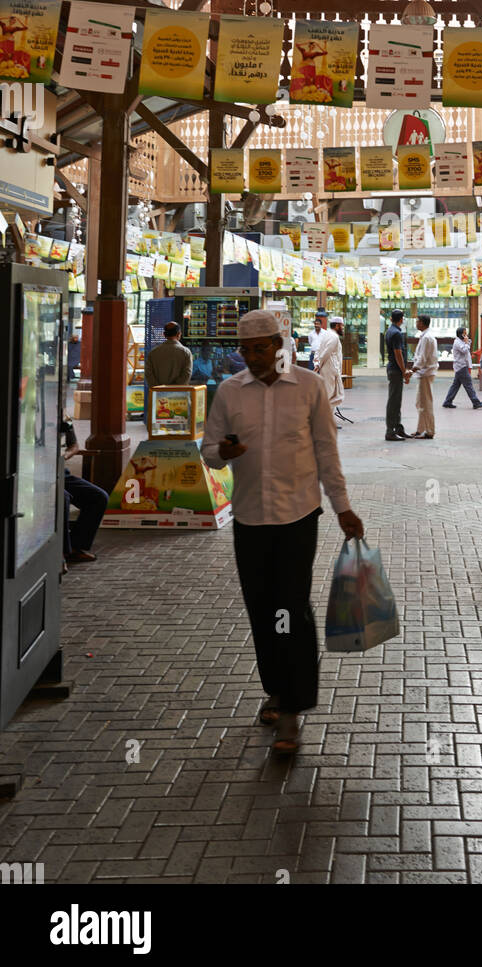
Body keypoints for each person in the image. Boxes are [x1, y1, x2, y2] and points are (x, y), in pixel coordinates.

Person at [202, 309, 364, 755]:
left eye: (261, 348)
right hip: (250, 518)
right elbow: (209, 453)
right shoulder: (230, 392)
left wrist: (343, 507)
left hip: (298, 515)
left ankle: (292, 709)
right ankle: (275, 689)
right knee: (262, 608)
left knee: (291, 609)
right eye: (246, 350)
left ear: (279, 345)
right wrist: (223, 451)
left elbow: (327, 452)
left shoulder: (308, 388)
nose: (253, 357)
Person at [60, 418, 107, 566]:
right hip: (33, 475)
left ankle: (75, 546)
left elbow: (74, 446)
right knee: (63, 499)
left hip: (59, 472)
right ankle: (63, 551)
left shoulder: (63, 417)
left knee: (98, 497)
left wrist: (64, 456)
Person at [409, 314, 438, 439]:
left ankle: (429, 431)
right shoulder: (425, 336)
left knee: (426, 404)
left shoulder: (427, 338)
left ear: (423, 323)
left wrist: (412, 370)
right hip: (424, 374)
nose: (416, 323)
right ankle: (420, 429)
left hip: (426, 373)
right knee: (420, 403)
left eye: (417, 321)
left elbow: (422, 358)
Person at [442, 327, 482, 410]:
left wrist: (467, 341)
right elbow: (465, 350)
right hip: (461, 367)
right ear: (460, 334)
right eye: (464, 334)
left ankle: (447, 402)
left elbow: (468, 344)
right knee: (469, 385)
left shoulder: (461, 341)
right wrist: (466, 342)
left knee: (455, 385)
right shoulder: (457, 343)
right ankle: (476, 402)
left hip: (461, 366)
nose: (466, 335)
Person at [385, 310, 410, 441]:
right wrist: (404, 370)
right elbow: (398, 353)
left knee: (396, 400)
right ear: (401, 319)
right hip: (395, 370)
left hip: (393, 369)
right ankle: (390, 430)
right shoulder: (396, 333)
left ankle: (398, 428)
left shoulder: (390, 331)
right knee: (394, 401)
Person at [145, 321, 193, 387]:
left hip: (158, 395)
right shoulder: (186, 352)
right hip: (179, 395)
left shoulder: (153, 353)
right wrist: (173, 389)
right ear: (179, 334)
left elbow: (149, 375)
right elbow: (187, 375)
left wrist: (159, 389)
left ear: (164, 334)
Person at [315, 315, 345, 419]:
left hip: (328, 369)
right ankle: (323, 421)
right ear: (337, 326)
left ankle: (328, 420)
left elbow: (319, 350)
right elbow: (326, 352)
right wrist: (318, 364)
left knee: (331, 396)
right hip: (330, 370)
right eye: (342, 326)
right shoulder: (333, 337)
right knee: (330, 395)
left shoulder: (327, 334)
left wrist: (318, 364)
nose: (343, 328)